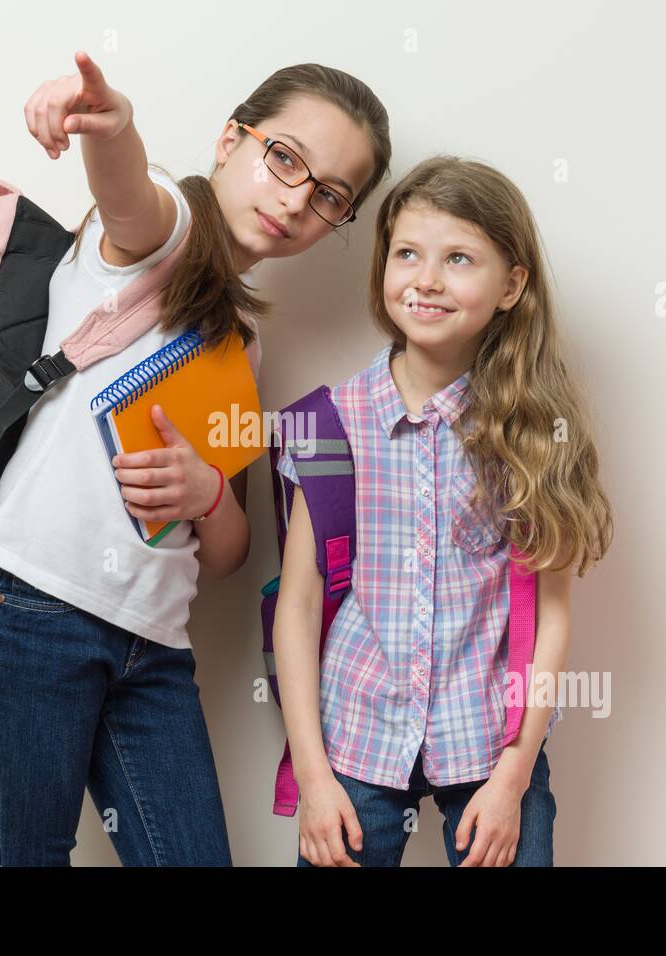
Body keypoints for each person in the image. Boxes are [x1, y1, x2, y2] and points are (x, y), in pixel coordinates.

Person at [0, 51, 392, 866]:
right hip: (31, 607)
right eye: (285, 157)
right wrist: (110, 124)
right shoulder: (161, 241)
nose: (297, 201)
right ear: (232, 140)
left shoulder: (245, 342)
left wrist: (205, 494)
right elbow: (128, 195)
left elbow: (225, 556)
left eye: (331, 195)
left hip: (152, 643)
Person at [272, 156, 613, 867]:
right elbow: (299, 605)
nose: (426, 280)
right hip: (353, 742)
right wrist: (312, 777)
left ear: (512, 284)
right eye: (407, 255)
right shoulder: (330, 424)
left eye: (458, 258)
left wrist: (515, 777)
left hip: (489, 745)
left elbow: (550, 614)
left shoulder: (534, 431)